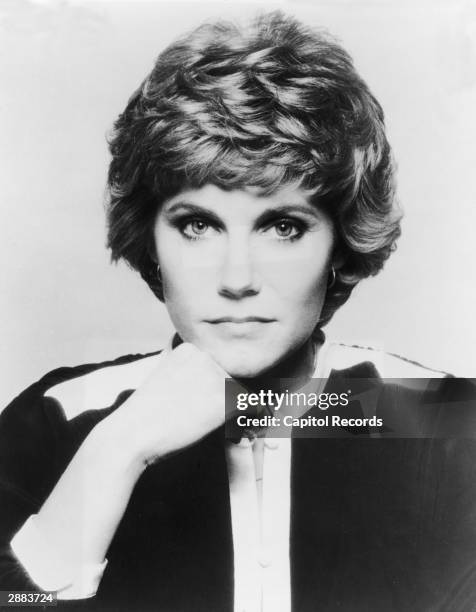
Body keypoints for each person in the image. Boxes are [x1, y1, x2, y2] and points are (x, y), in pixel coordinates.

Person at [0, 10, 475, 612]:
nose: (237, 279)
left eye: (282, 226)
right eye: (198, 225)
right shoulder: (57, 419)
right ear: (150, 241)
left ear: (340, 242)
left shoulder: (447, 421)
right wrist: (119, 449)